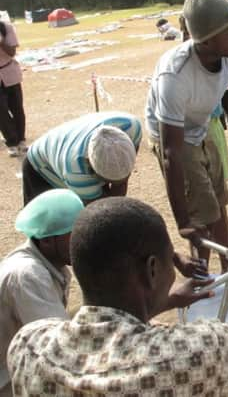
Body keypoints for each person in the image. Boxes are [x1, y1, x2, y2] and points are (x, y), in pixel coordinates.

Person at [6, 197, 228, 396]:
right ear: (153, 269)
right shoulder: (185, 357)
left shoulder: (28, 345)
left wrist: (167, 300)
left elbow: (110, 322)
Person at [145, 0, 228, 274]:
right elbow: (172, 152)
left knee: (218, 201)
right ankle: (204, 283)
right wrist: (183, 221)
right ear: (207, 40)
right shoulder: (175, 76)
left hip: (202, 125)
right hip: (174, 135)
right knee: (201, 219)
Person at [0, 189, 83, 397]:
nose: (82, 240)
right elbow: (59, 348)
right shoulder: (29, 275)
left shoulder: (52, 265)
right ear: (47, 240)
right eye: (73, 235)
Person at [23, 111, 141, 205]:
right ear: (90, 165)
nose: (116, 183)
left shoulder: (131, 127)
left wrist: (120, 183)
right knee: (49, 228)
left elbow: (116, 195)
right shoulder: (76, 171)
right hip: (41, 168)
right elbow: (99, 211)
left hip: (68, 149)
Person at [0, 20, 26, 157]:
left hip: (10, 73)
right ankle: (11, 142)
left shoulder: (6, 27)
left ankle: (21, 140)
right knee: (1, 112)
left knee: (17, 108)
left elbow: (11, 52)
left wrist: (1, 41)